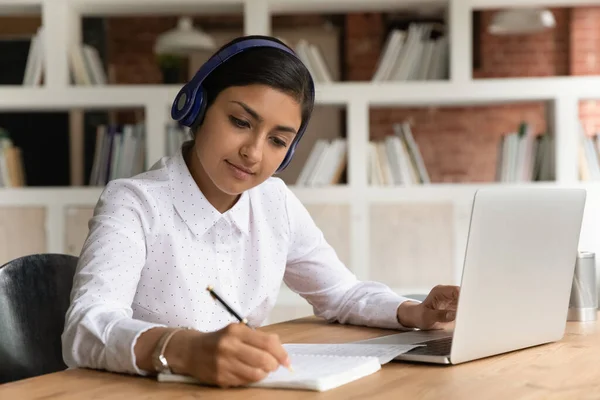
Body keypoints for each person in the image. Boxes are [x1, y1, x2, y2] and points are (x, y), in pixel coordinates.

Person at [61, 35, 459, 388]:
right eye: (239, 121)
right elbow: (85, 327)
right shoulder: (133, 203)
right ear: (197, 107)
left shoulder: (275, 202)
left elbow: (340, 294)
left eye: (277, 140)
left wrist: (414, 311)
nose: (253, 152)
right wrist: (184, 350)